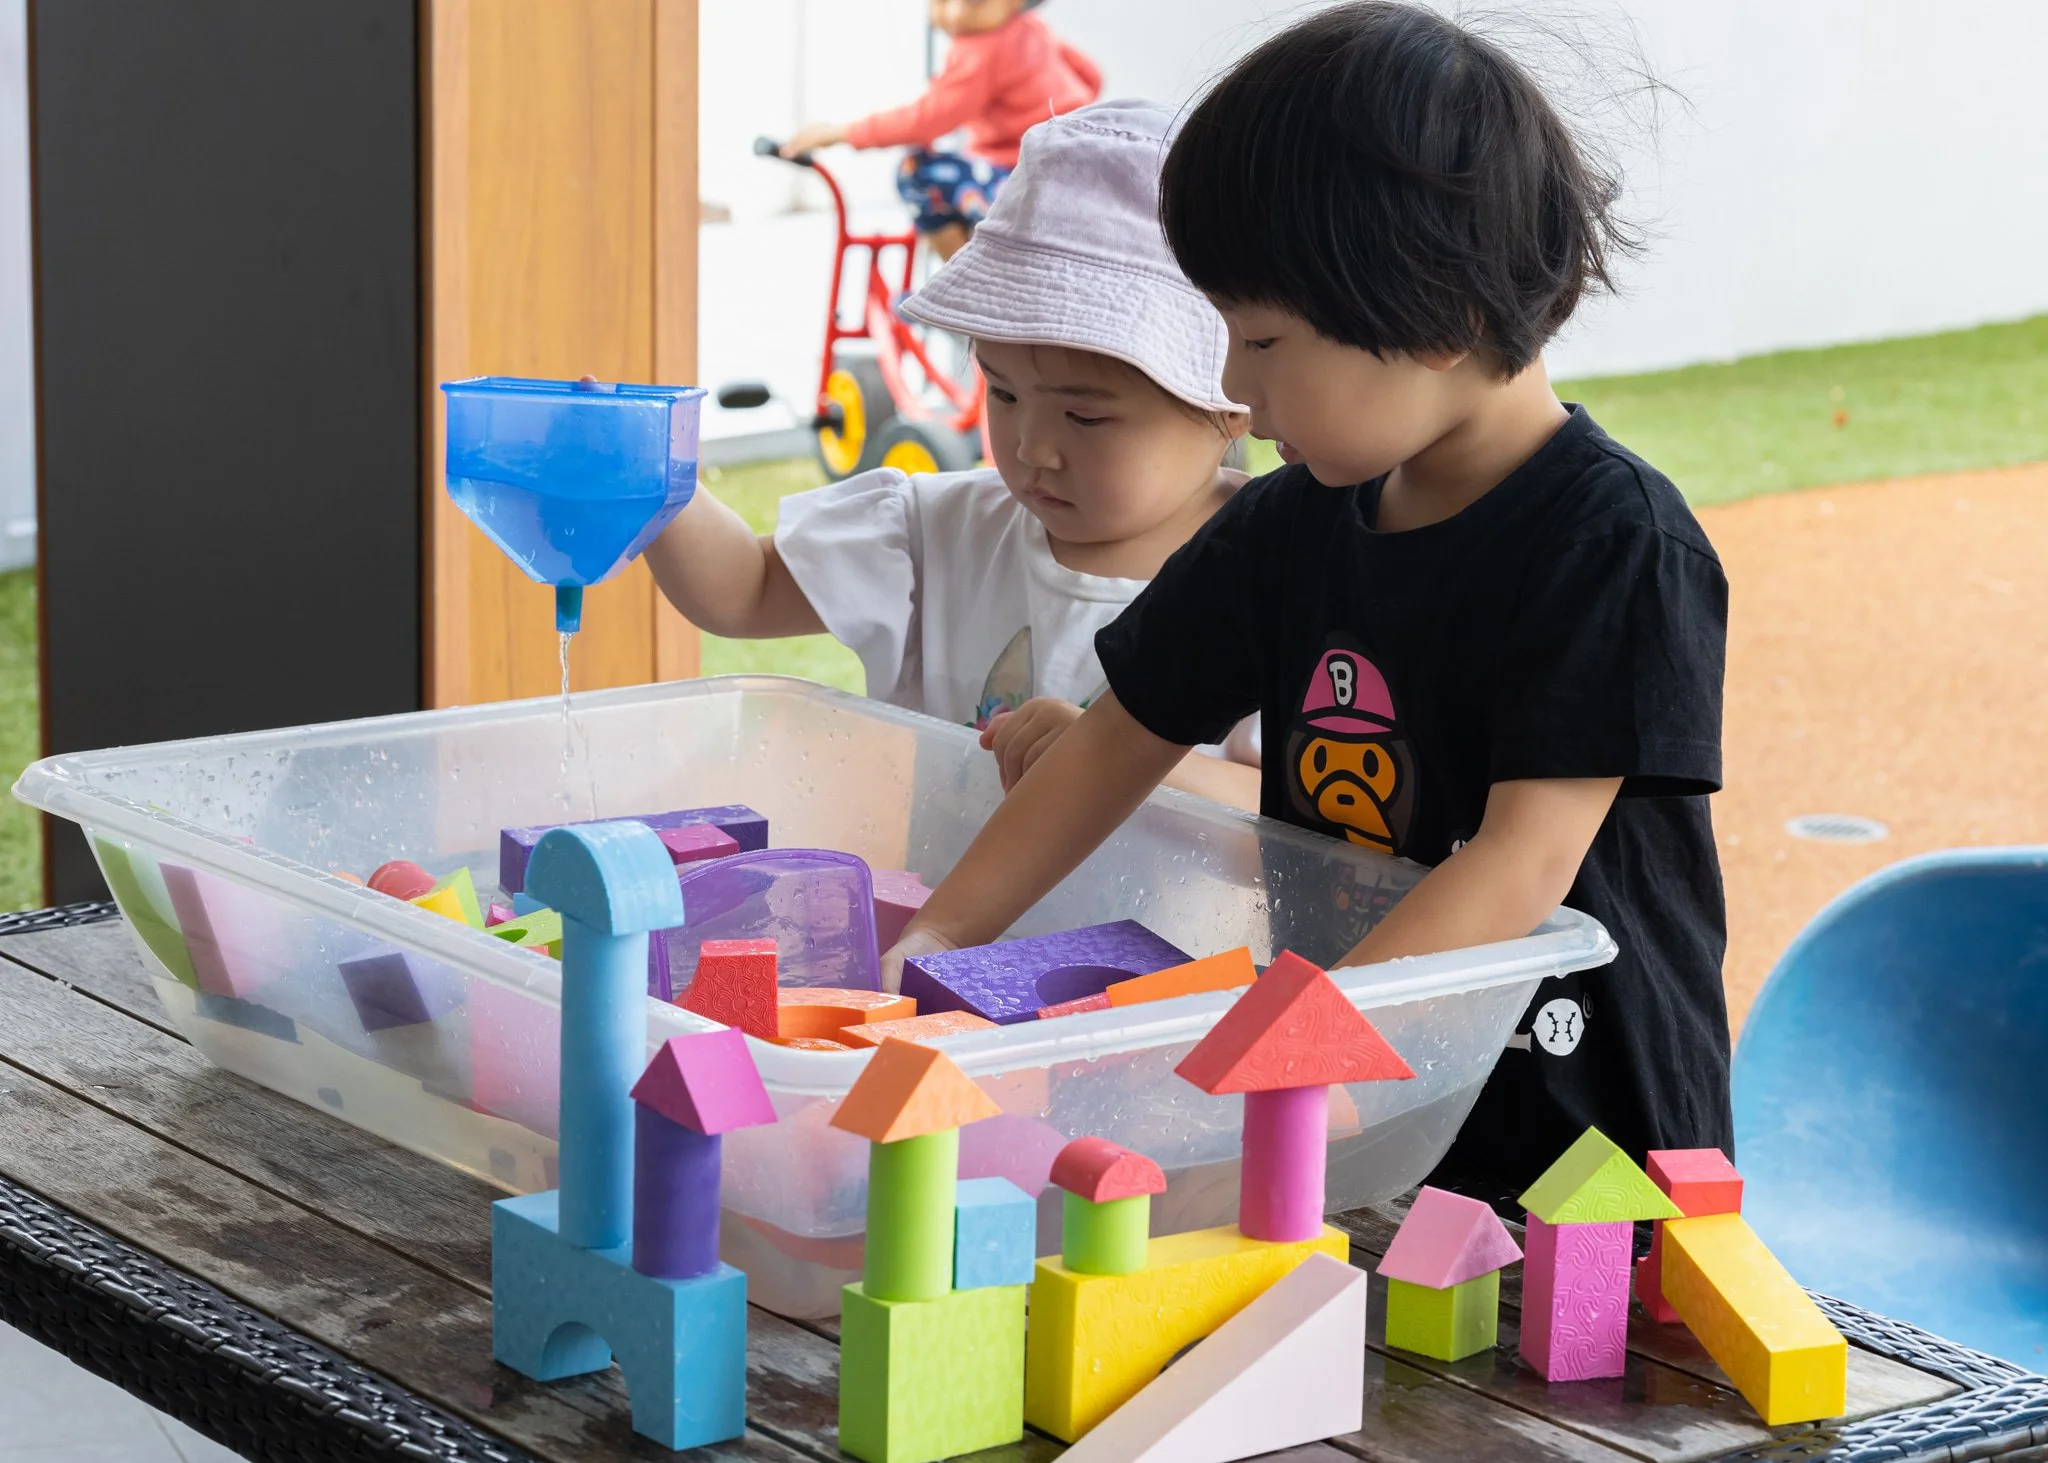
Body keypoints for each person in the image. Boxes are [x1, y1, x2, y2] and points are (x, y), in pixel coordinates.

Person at [890, 3, 1732, 1198]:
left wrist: (1292, 1056)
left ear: (1432, 317)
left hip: (1572, 1146)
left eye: (1260, 339)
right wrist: (937, 939)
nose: (1230, 383)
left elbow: (1520, 861)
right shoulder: (1285, 525)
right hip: (1336, 1120)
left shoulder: (1611, 545)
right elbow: (1117, 737)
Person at [649, 101, 1260, 810]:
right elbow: (745, 587)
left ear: (1232, 396)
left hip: (1185, 927)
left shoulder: (1278, 571)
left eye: (1085, 415)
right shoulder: (943, 533)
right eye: (1001, 395)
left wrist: (1117, 756)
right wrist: (654, 469)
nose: (1032, 447)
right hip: (958, 925)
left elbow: (1290, 811)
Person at [779, 0, 1099, 261]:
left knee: (917, 172)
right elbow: (1091, 77)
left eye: (976, 2)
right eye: (942, 0)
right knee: (962, 171)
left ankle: (966, 287)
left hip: (1026, 178)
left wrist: (841, 133)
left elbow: (925, 122)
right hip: (1076, 169)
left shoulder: (982, 49)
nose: (955, 13)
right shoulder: (1031, 28)